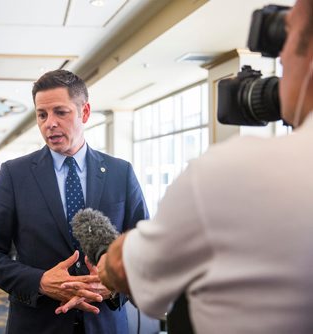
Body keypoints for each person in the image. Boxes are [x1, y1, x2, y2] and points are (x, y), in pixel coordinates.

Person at [97, 1, 313, 333]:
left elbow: (127, 269)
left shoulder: (235, 172)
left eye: (287, 39)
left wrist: (110, 253)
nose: (281, 58)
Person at [0, 69, 150, 334]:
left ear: (85, 113)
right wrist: (41, 281)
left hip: (106, 324)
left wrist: (114, 285)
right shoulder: (14, 174)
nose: (49, 123)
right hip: (38, 324)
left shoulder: (120, 173)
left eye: (60, 112)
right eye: (42, 115)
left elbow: (145, 249)